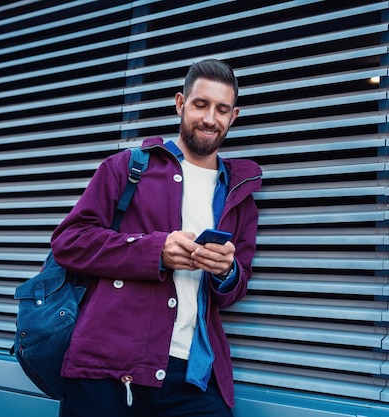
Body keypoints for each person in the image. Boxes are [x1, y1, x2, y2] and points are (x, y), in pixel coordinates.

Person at [50, 59, 262, 417]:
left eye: (222, 109)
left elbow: (237, 285)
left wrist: (226, 272)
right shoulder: (127, 167)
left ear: (234, 116)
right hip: (109, 370)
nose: (210, 118)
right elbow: (69, 242)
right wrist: (154, 251)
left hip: (193, 378)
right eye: (200, 104)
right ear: (180, 103)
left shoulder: (238, 194)